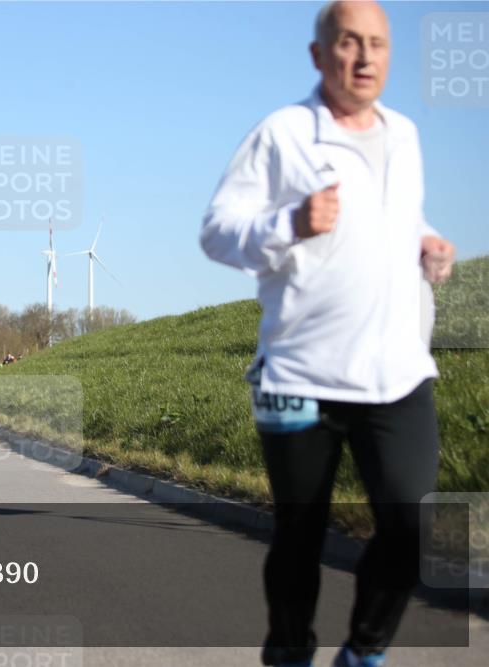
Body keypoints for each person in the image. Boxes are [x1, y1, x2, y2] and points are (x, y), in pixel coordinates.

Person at [199, 3, 456, 666]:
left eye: (378, 44)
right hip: (298, 375)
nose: (366, 57)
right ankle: (289, 652)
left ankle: (363, 652)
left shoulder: (404, 135)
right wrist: (289, 221)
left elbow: (401, 217)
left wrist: (427, 243)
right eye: (349, 43)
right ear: (319, 55)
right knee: (299, 536)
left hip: (398, 370)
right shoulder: (283, 133)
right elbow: (217, 230)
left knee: (413, 523)